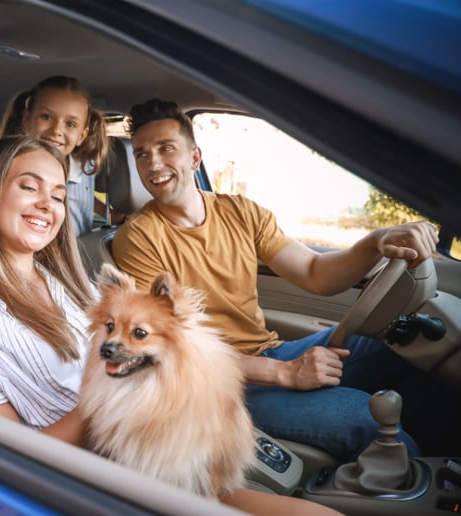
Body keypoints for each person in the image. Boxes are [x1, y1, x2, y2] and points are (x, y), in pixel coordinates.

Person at [0, 134, 341, 515]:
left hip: (168, 459)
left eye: (57, 194)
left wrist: (273, 374)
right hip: (101, 485)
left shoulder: (74, 286)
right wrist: (104, 402)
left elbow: (174, 345)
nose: (48, 205)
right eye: (29, 187)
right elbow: (0, 461)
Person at [112, 98, 451, 462]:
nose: (154, 164)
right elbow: (172, 349)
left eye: (166, 149)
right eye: (142, 155)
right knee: (365, 416)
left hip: (268, 353)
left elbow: (313, 272)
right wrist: (286, 374)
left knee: (405, 340)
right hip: (217, 387)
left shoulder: (240, 212)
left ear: (195, 158)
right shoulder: (137, 239)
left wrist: (373, 243)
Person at [0, 75, 123, 236]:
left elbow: (81, 199)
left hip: (76, 254)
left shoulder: (82, 166)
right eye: (46, 117)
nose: (56, 130)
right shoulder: (9, 166)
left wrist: (113, 216)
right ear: (27, 118)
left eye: (70, 124)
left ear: (81, 136)